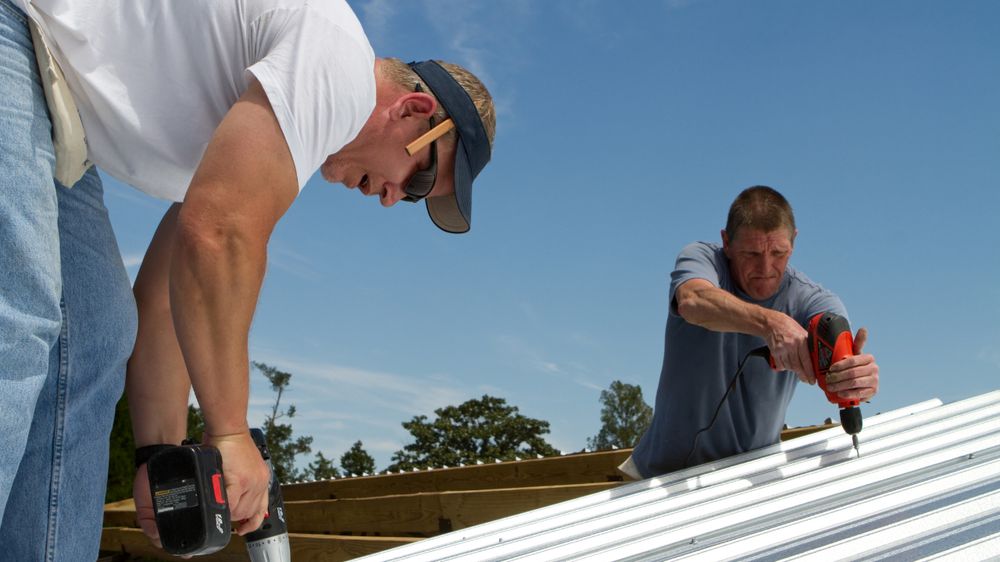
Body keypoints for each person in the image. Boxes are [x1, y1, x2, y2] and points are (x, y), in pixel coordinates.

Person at [0, 0, 495, 558]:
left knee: (96, 334)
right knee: (17, 316)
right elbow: (217, 233)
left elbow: (168, 298)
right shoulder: (338, 67)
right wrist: (229, 433)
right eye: (421, 177)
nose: (391, 196)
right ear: (414, 108)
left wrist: (163, 460)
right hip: (18, 32)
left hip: (54, 101)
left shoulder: (274, 126)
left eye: (412, 199)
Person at [621, 186, 879, 479]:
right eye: (751, 254)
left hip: (747, 482)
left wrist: (852, 380)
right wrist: (771, 324)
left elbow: (837, 349)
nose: (766, 268)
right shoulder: (702, 259)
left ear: (794, 242)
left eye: (778, 253)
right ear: (727, 242)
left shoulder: (814, 301)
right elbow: (693, 301)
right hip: (658, 475)